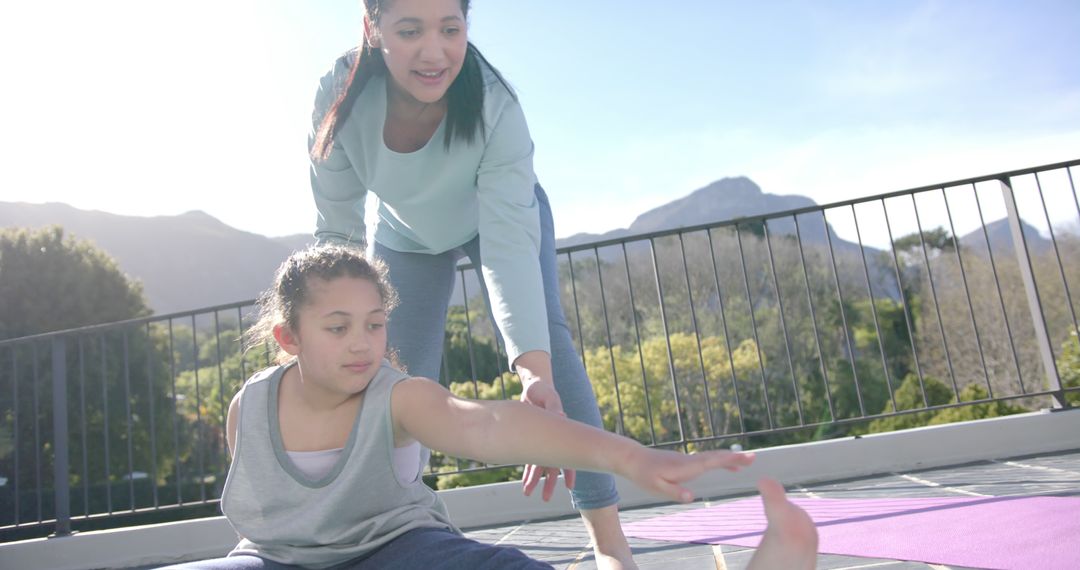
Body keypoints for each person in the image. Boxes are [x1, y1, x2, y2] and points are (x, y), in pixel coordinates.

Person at [161, 245, 817, 570]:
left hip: (399, 551)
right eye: (338, 328)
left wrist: (630, 458)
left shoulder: (401, 397)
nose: (362, 343)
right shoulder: (248, 408)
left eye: (375, 323)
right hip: (274, 560)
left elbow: (490, 421)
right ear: (288, 337)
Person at [306, 0, 639, 564]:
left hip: (497, 219)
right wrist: (327, 329)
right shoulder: (339, 94)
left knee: (547, 349)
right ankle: (400, 535)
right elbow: (336, 229)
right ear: (372, 28)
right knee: (393, 380)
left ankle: (611, 543)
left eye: (451, 29)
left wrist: (533, 373)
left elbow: (509, 250)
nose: (434, 51)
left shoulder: (494, 105)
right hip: (404, 236)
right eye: (409, 30)